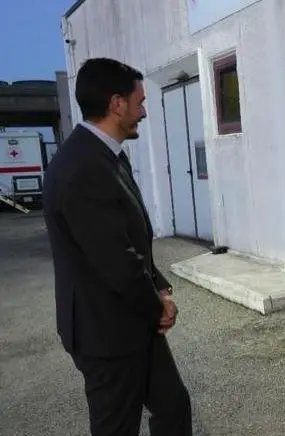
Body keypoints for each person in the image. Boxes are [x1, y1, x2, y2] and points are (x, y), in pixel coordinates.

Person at [41, 57, 192, 436]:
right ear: (116, 104)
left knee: (173, 407)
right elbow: (116, 259)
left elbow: (131, 235)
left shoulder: (105, 155)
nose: (143, 111)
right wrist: (158, 307)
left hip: (132, 320)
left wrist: (158, 283)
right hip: (105, 332)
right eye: (139, 102)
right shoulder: (83, 166)